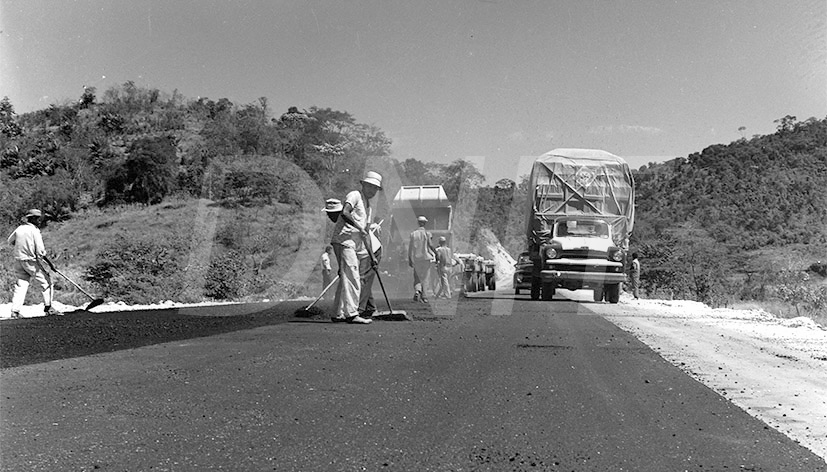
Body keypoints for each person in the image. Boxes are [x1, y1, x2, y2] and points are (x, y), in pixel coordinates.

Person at [333, 171, 383, 324]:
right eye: (369, 186)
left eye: (375, 188)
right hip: (344, 239)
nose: (372, 190)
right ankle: (352, 314)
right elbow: (344, 213)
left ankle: (338, 313)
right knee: (352, 275)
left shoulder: (368, 208)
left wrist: (372, 256)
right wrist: (357, 226)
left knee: (345, 277)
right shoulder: (354, 195)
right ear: (363, 185)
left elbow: (366, 234)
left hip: (354, 244)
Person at [6, 209, 60, 318]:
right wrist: (50, 264)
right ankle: (48, 307)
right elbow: (40, 251)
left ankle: (15, 311)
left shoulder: (19, 229)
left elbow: (9, 241)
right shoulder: (34, 230)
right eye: (38, 219)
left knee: (21, 285)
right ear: (33, 218)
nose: (39, 221)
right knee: (46, 282)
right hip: (30, 261)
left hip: (18, 261)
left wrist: (21, 245)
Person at [408, 215, 435, 303]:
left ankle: (417, 290)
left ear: (418, 223)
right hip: (426, 259)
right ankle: (424, 296)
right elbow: (430, 245)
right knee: (426, 277)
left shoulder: (413, 234)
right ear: (425, 223)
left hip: (417, 259)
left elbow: (410, 248)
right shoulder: (427, 233)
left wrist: (410, 259)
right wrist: (436, 253)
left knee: (417, 277)